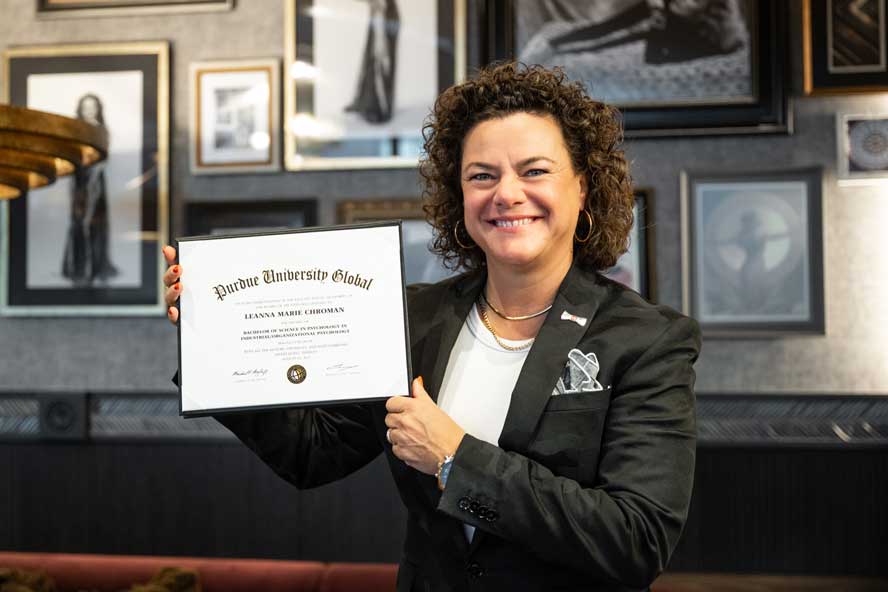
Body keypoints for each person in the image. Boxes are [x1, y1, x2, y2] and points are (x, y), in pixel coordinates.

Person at [163, 62, 700, 591]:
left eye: (534, 170)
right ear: (459, 196)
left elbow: (637, 541)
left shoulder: (647, 339)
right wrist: (216, 341)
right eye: (481, 175)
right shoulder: (412, 319)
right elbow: (312, 454)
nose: (506, 193)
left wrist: (455, 458)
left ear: (582, 187)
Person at [62, 93, 118, 284]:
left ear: (98, 108)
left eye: (92, 106)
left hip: (96, 183)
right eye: (86, 106)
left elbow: (104, 159)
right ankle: (77, 267)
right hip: (79, 181)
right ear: (80, 108)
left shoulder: (102, 129)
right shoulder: (75, 130)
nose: (89, 110)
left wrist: (95, 172)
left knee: (96, 222)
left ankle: (97, 267)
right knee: (78, 222)